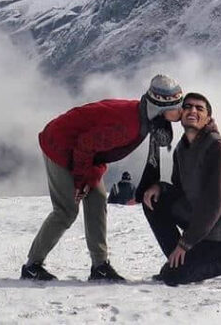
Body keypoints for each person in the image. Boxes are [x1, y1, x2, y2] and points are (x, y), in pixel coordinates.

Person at [21, 73, 184, 282]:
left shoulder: (142, 118)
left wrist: (91, 176)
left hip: (81, 151)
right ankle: (32, 266)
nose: (181, 112)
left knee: (97, 200)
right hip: (60, 146)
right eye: (177, 107)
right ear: (162, 108)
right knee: (66, 210)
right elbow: (86, 146)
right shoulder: (130, 126)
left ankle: (100, 266)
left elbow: (98, 150)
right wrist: (81, 182)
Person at [139, 91, 221, 286]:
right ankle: (176, 260)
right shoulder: (182, 148)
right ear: (180, 114)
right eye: (187, 106)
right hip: (206, 226)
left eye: (199, 108)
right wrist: (159, 188)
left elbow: (215, 202)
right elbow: (180, 192)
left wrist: (185, 243)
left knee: (172, 277)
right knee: (153, 200)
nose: (192, 110)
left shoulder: (216, 147)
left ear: (208, 118)